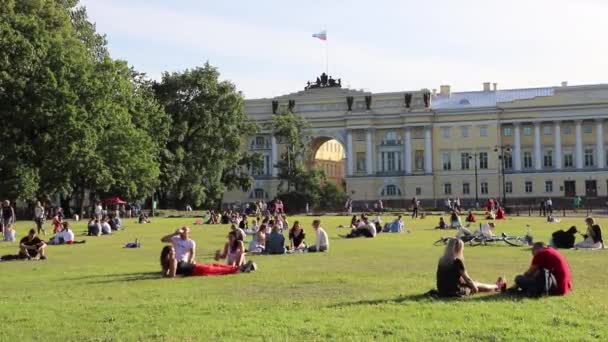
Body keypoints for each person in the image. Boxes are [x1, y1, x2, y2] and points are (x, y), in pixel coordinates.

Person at [435, 238, 506, 297]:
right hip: (454, 291)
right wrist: (474, 288)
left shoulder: (442, 260)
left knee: (475, 283)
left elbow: (447, 276)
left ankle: (495, 286)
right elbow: (468, 279)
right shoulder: (457, 261)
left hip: (442, 290)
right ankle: (497, 286)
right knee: (476, 285)